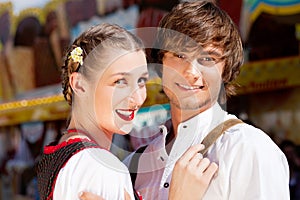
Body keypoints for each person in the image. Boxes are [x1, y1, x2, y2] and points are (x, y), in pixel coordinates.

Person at [80, 1, 290, 199]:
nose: (190, 72)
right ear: (160, 62)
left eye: (208, 58)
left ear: (225, 70)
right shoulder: (134, 166)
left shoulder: (247, 149)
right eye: (179, 55)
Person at [36, 23, 217, 200]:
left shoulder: (57, 158)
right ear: (79, 84)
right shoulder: (104, 170)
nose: (137, 98)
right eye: (120, 82)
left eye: (141, 81)